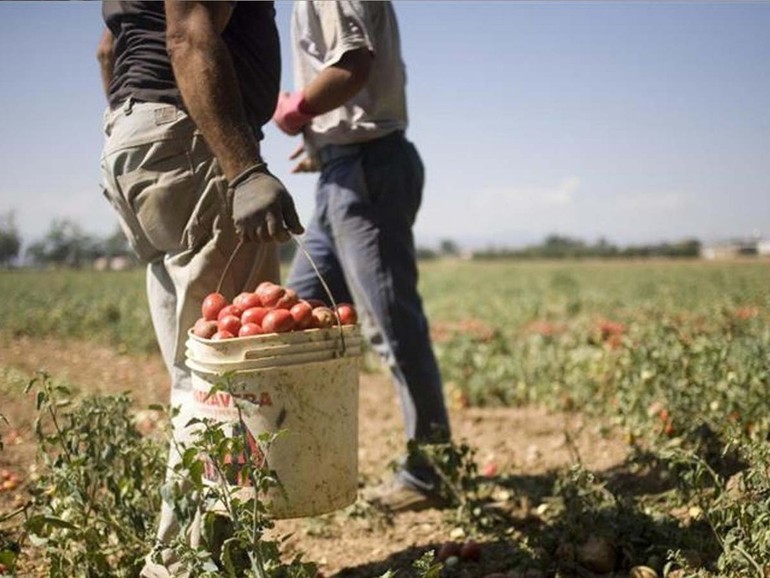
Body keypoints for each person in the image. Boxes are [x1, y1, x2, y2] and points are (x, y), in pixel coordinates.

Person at [97, 2, 303, 575]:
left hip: (138, 136)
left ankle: (196, 557)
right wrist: (244, 169)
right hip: (191, 138)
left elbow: (108, 51)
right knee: (227, 380)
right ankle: (190, 565)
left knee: (198, 374)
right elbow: (188, 34)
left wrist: (137, 129)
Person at [273, 0, 452, 513]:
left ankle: (431, 472)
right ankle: (298, 465)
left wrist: (296, 111)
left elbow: (352, 65)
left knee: (392, 325)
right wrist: (324, 145)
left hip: (367, 169)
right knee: (298, 318)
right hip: (344, 170)